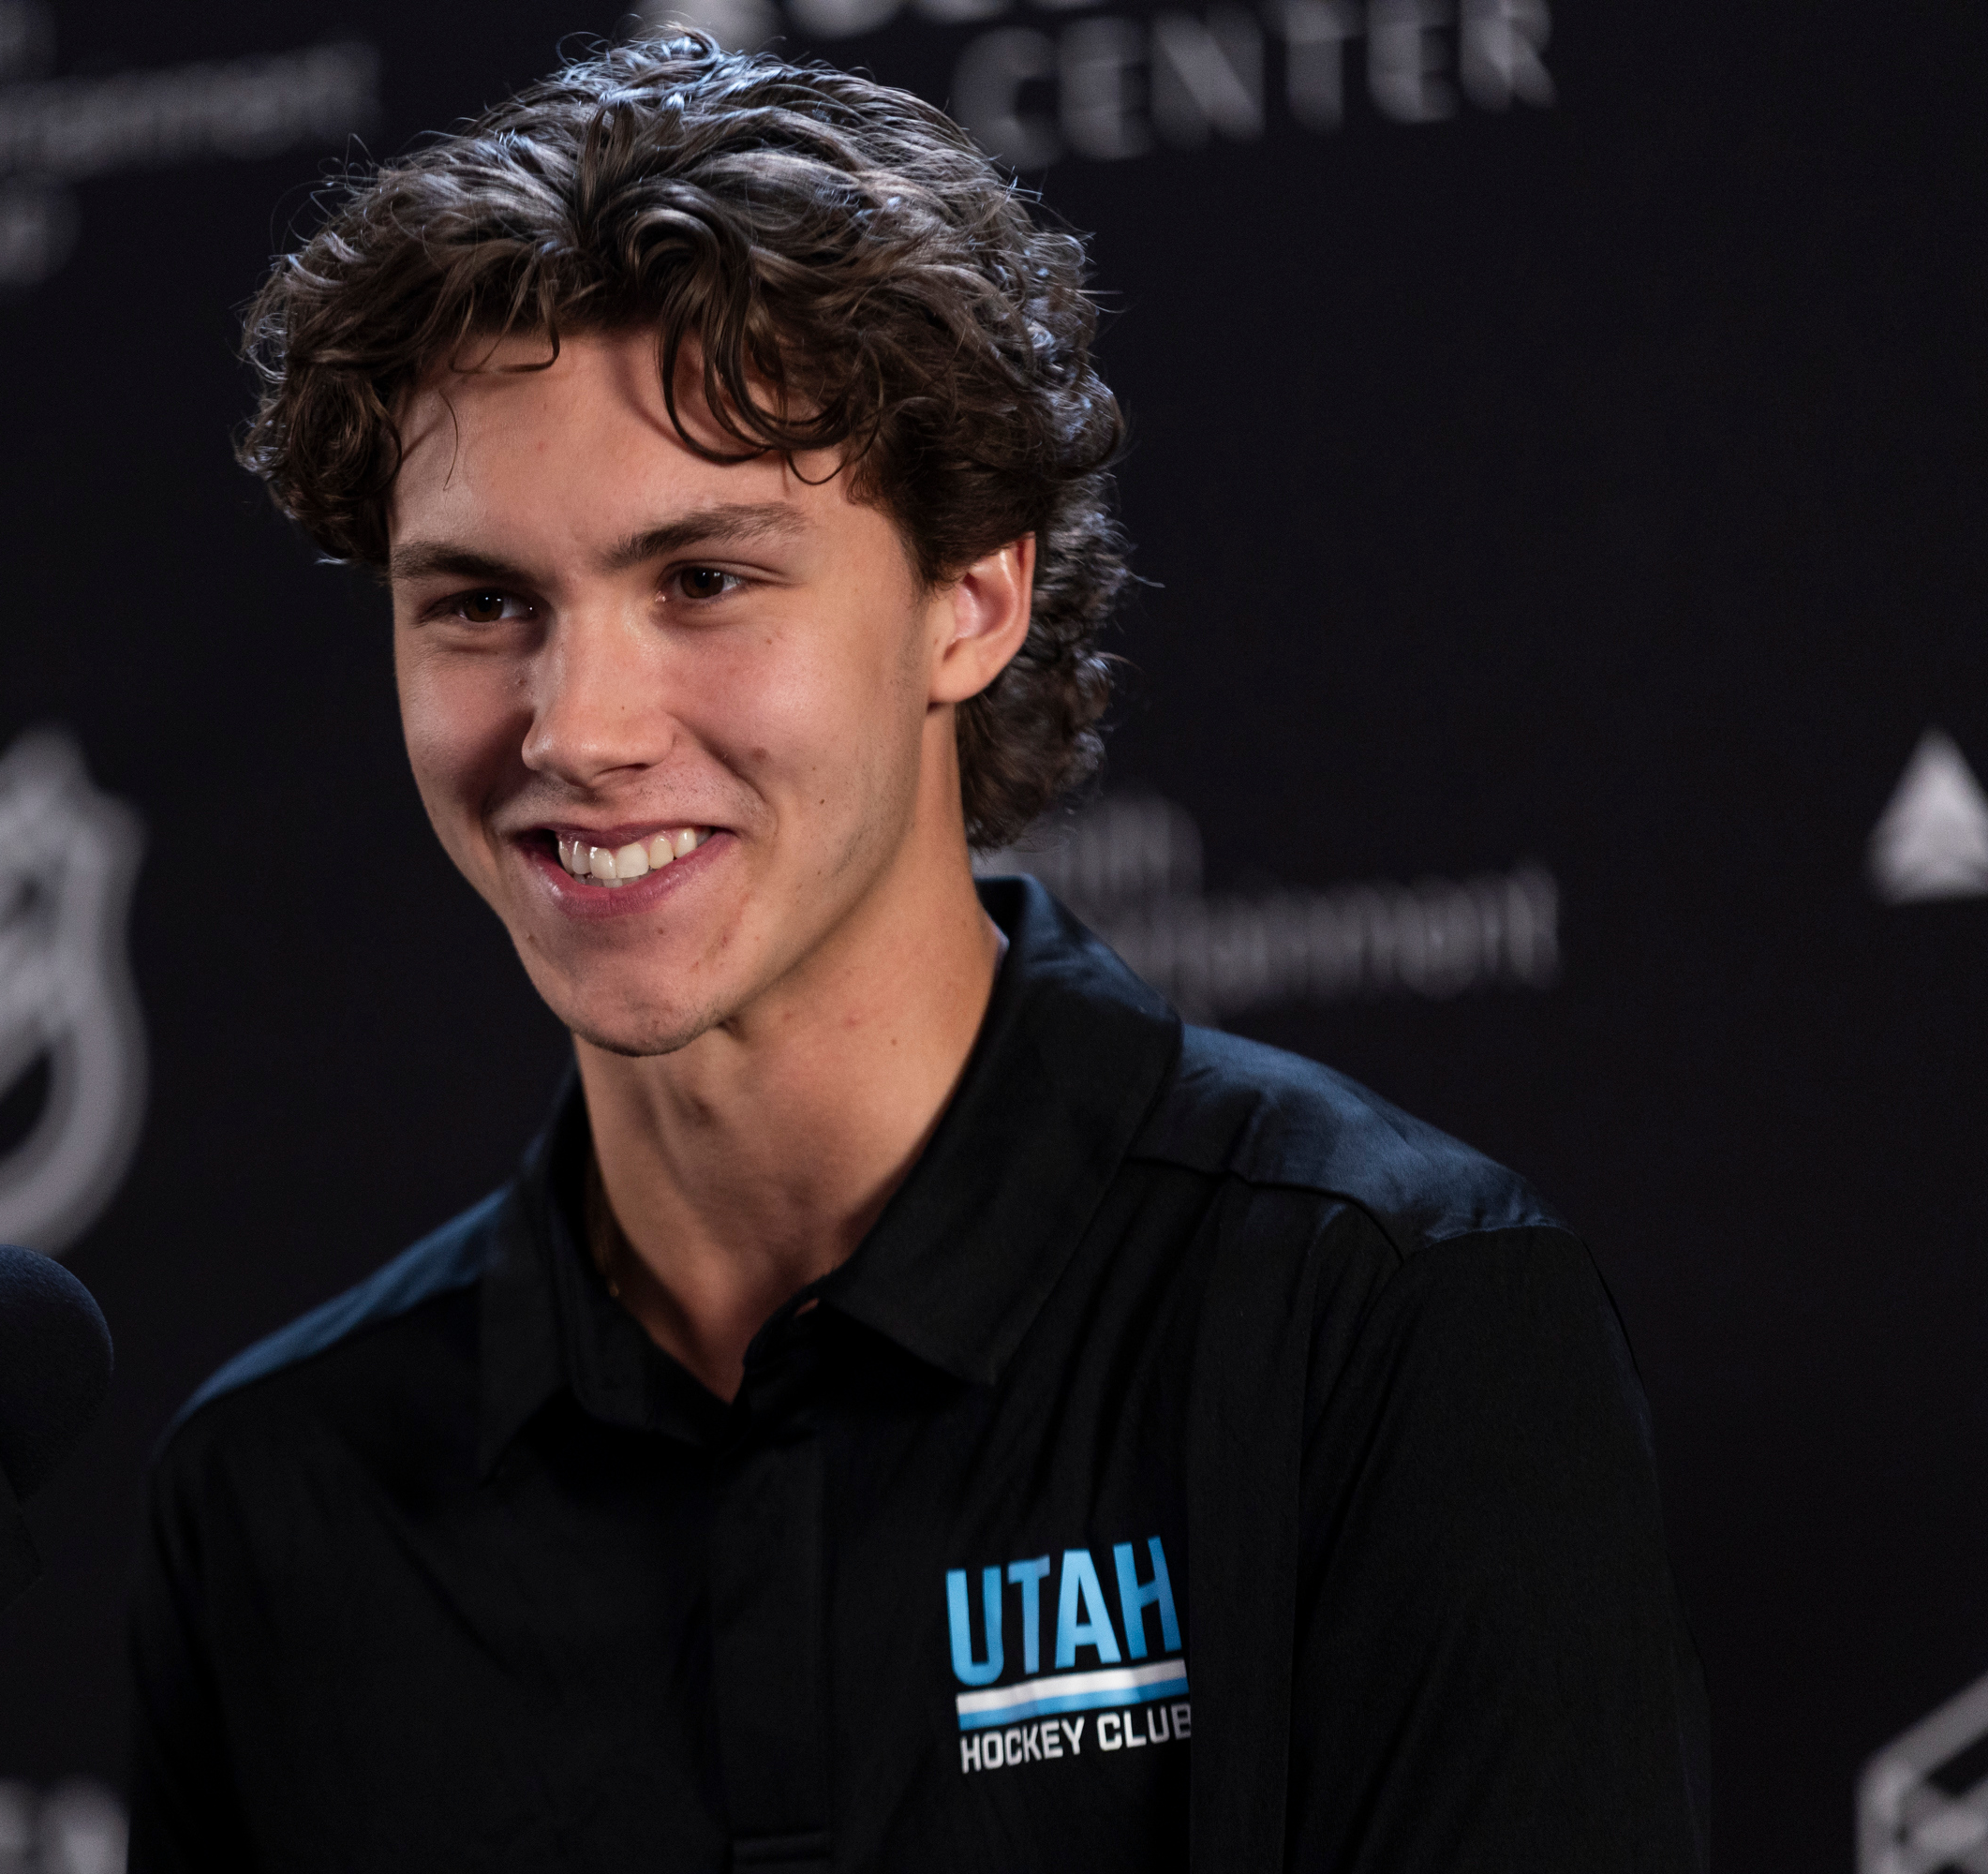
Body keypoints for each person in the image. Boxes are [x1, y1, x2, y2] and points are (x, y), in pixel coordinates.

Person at [124, 33, 1707, 1873]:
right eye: (481, 603)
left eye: (705, 578)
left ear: (975, 596)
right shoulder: (275, 1489)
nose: (574, 725)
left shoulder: (1386, 1323)